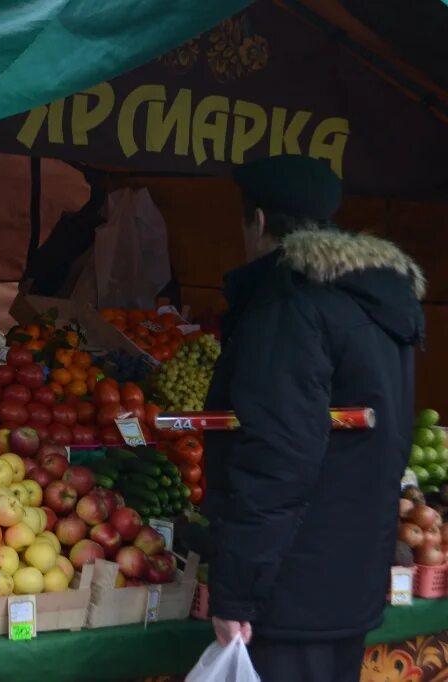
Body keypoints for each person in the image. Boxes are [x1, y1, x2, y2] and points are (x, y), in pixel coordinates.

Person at [204, 155, 425, 681]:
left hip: (291, 593)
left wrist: (236, 590)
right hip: (349, 584)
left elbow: (276, 461)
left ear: (257, 222)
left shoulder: (289, 306)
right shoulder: (377, 302)